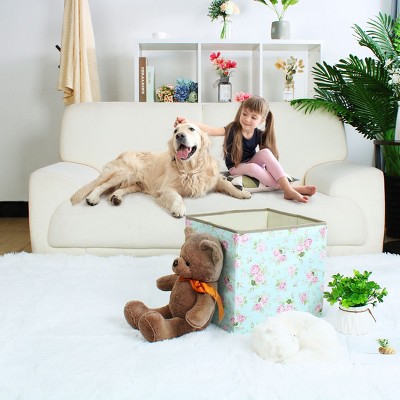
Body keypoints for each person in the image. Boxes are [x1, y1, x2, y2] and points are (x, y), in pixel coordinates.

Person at [175, 96, 316, 203]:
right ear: (240, 112)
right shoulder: (233, 128)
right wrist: (188, 122)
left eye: (253, 117)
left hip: (252, 162)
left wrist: (268, 169)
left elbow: (267, 160)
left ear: (262, 120)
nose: (247, 119)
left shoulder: (259, 134)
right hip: (236, 167)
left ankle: (288, 189)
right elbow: (211, 130)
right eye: (245, 114)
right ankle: (290, 189)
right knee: (253, 167)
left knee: (265, 152)